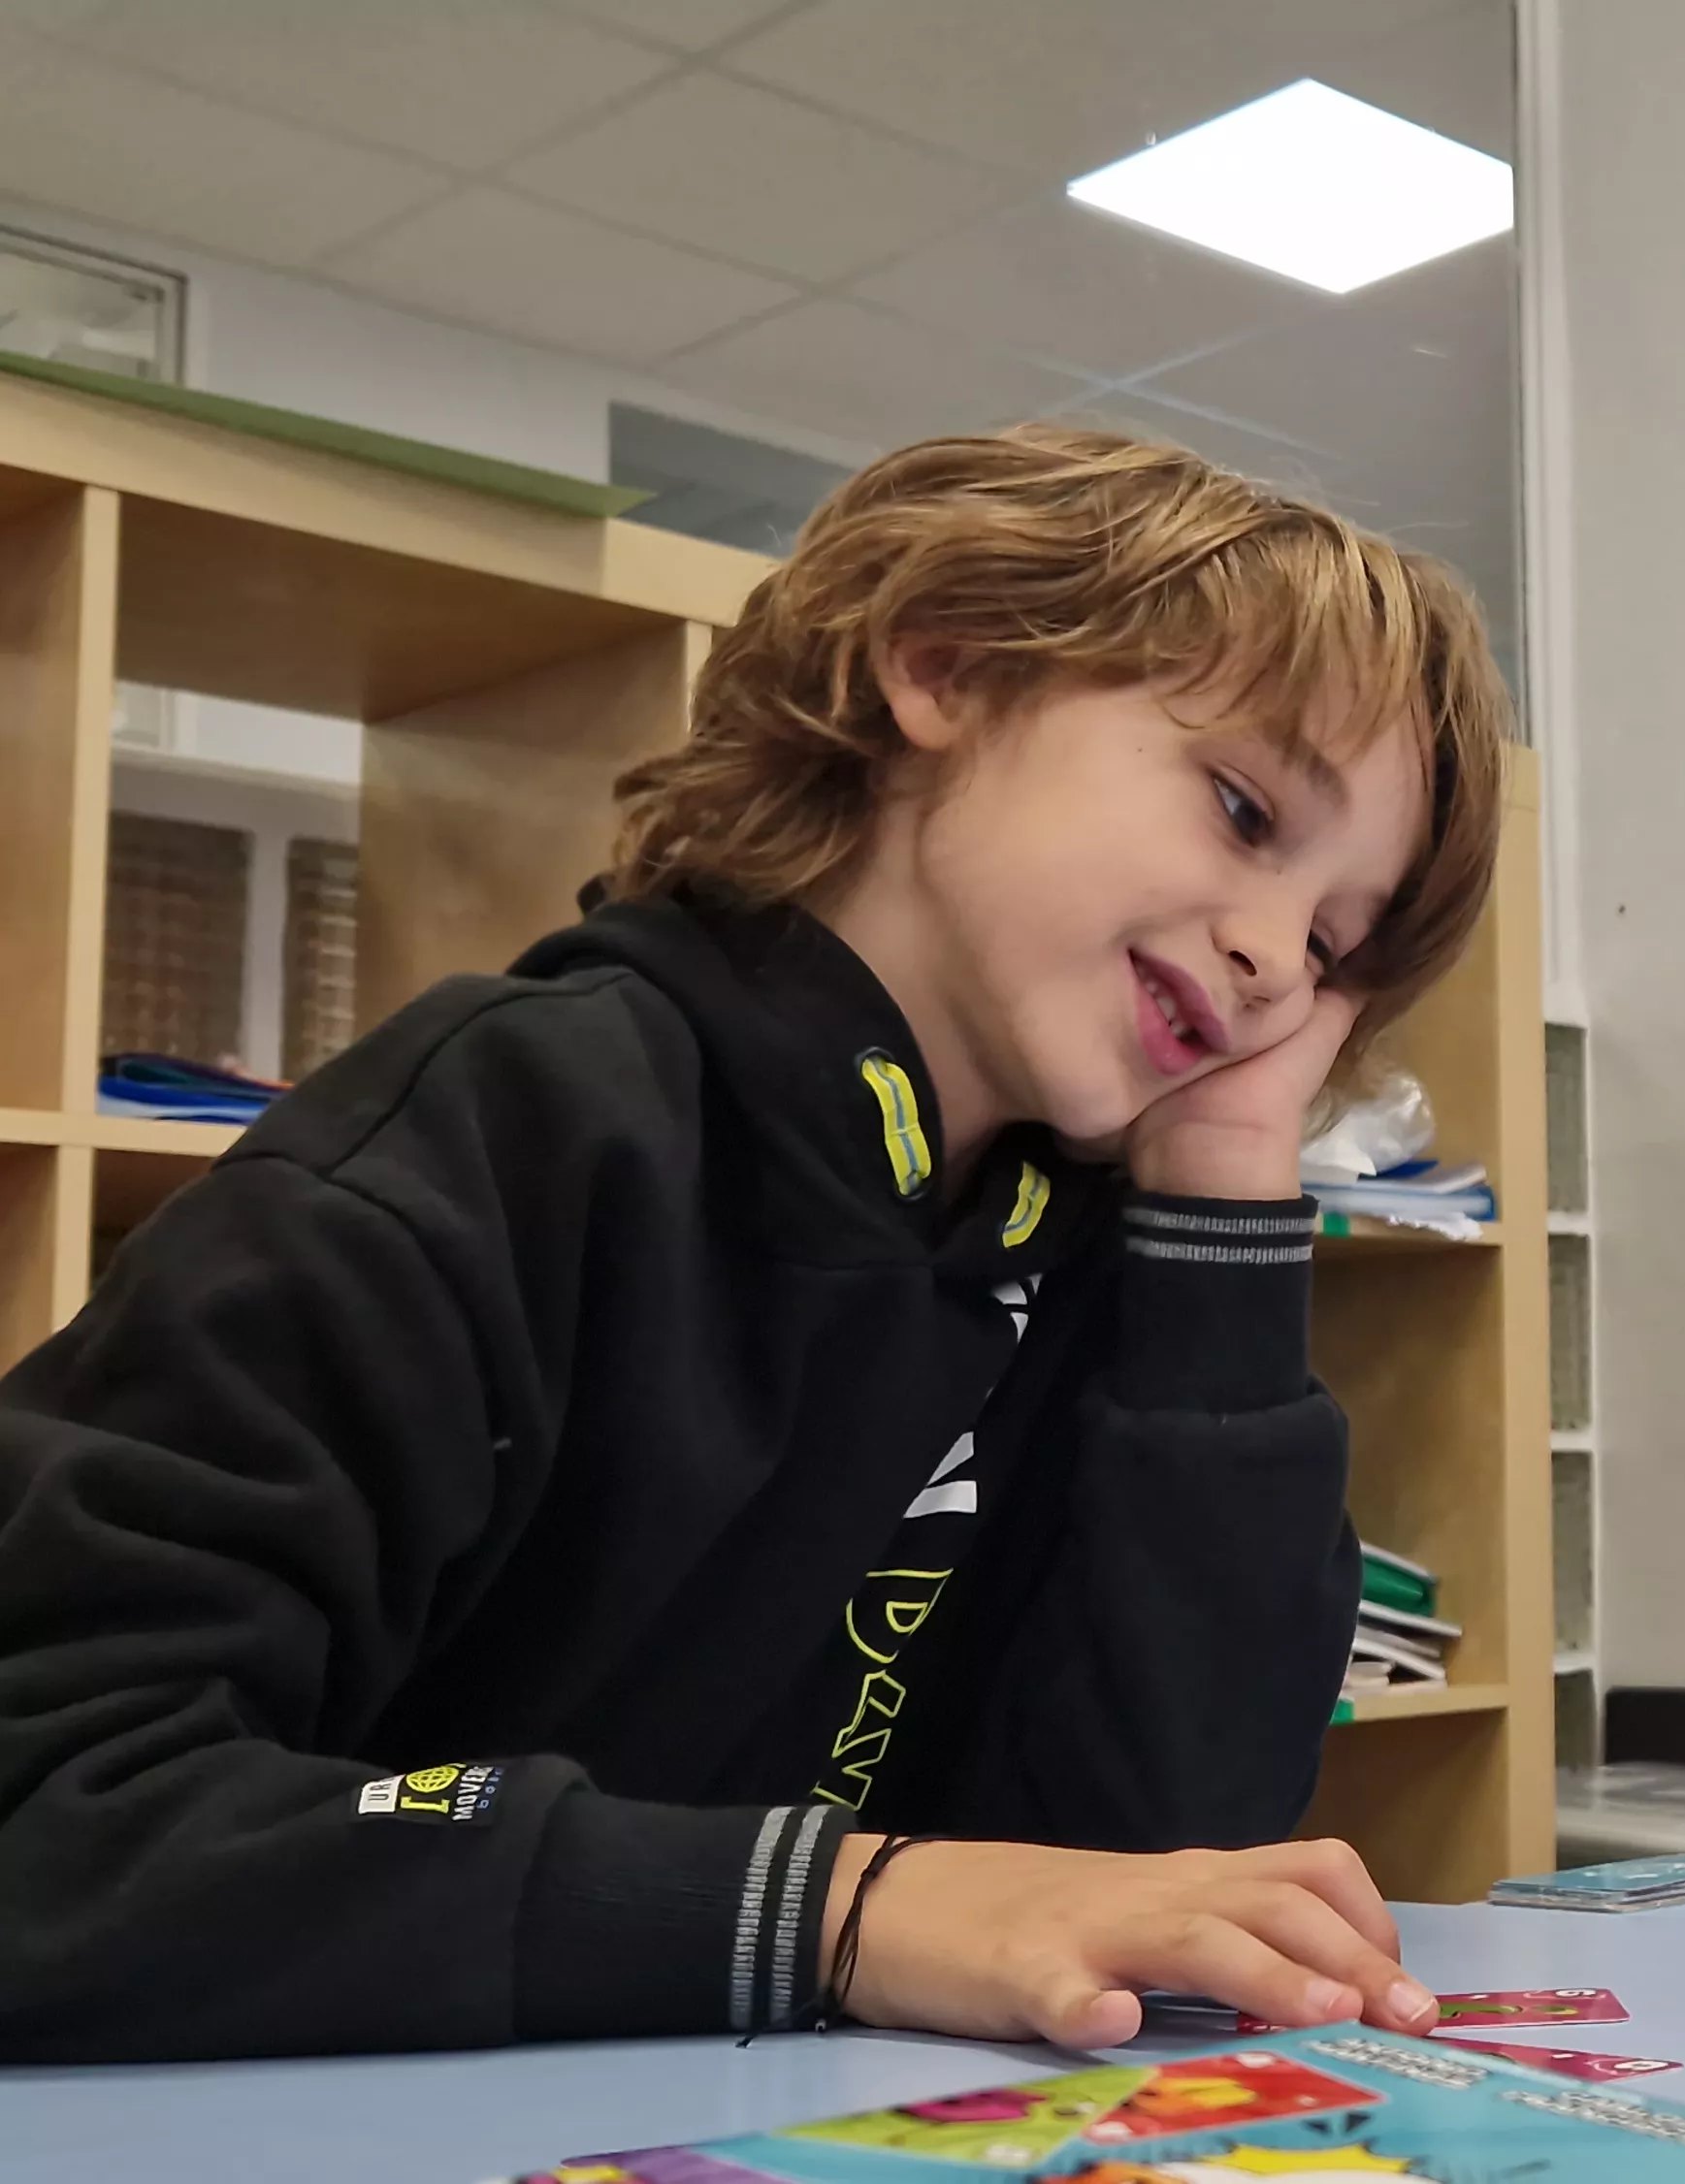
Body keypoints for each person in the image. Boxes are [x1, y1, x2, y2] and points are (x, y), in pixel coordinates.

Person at [0, 429, 1504, 2059]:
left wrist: (1222, 1184)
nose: (1277, 957)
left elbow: (1150, 1876)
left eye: (1338, 946)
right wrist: (837, 1907)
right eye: (1241, 806)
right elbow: (51, 1811)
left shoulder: (1088, 1250)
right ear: (946, 667)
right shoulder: (518, 1120)